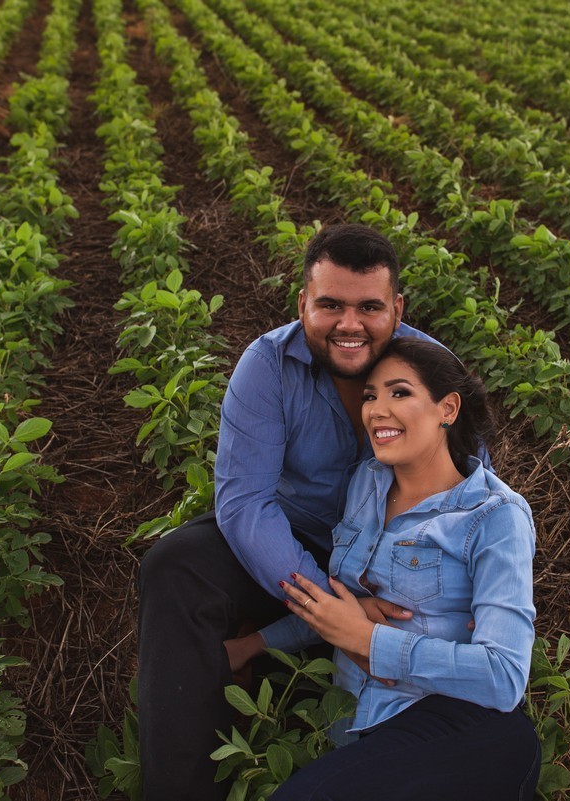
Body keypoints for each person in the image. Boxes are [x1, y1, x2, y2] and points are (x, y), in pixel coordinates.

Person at [137, 224, 443, 801]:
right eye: (330, 305)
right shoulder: (267, 365)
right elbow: (245, 503)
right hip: (293, 535)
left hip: (391, 555)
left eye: (369, 307)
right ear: (303, 303)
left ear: (397, 309)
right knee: (175, 567)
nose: (349, 325)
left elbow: (466, 501)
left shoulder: (435, 372)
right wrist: (331, 607)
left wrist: (399, 593)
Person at [225, 337, 541, 801]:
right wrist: (256, 644)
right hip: (354, 727)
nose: (376, 409)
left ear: (447, 408)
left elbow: (504, 676)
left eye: (400, 393)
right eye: (370, 395)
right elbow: (348, 609)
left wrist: (368, 642)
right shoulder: (367, 483)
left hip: (442, 720)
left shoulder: (493, 517)